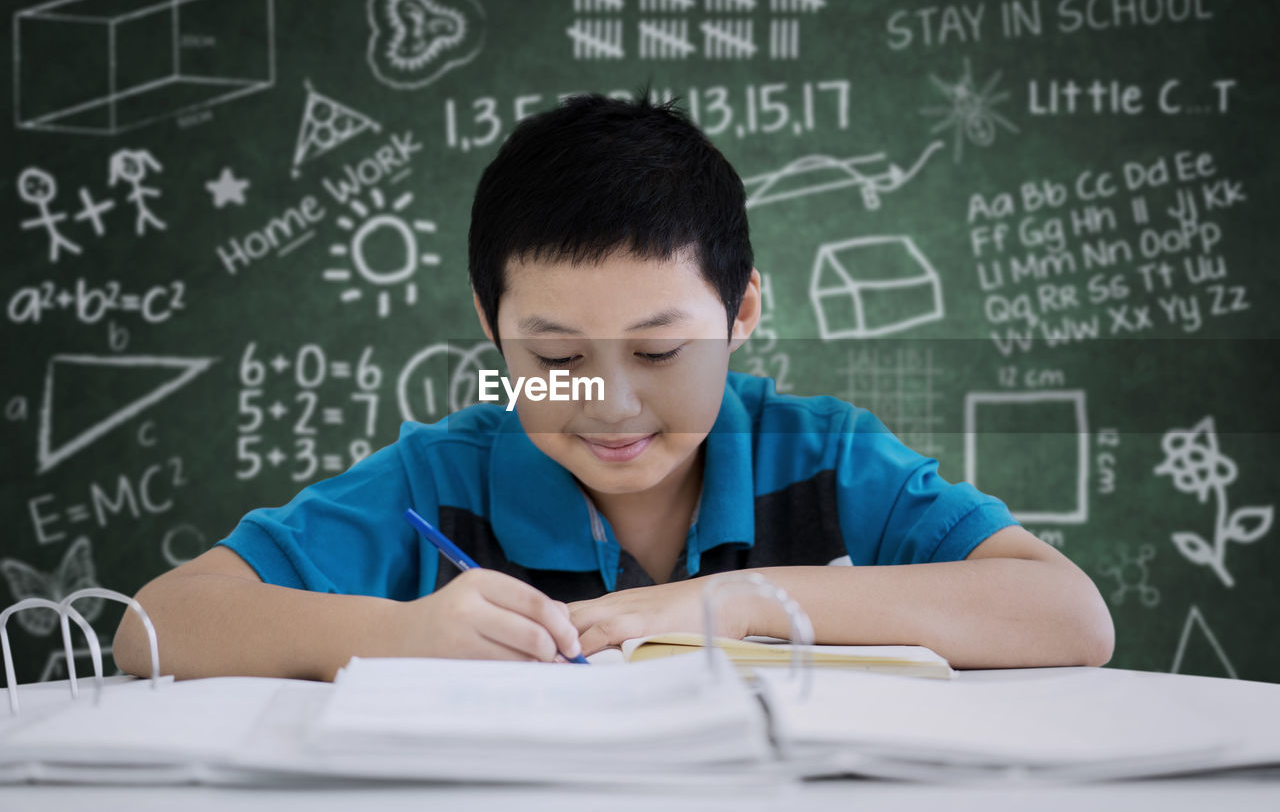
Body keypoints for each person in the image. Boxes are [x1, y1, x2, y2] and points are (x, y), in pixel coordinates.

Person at [114, 94, 1113, 681]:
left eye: (659, 351)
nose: (610, 404)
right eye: (553, 359)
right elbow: (153, 625)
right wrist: (400, 632)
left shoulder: (821, 455)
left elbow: (1068, 617)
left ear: (742, 312)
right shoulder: (447, 471)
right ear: (488, 323)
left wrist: (740, 602)